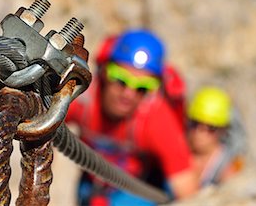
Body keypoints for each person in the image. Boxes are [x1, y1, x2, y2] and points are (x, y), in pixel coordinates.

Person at [66, 29, 198, 205]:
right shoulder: (82, 98)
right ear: (104, 72)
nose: (128, 94)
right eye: (121, 79)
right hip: (91, 184)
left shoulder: (156, 119)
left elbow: (188, 190)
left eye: (142, 87)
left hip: (137, 189)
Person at [186, 87, 245, 187]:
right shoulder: (178, 148)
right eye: (195, 123)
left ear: (223, 130)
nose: (200, 132)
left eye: (211, 128)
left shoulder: (227, 167)